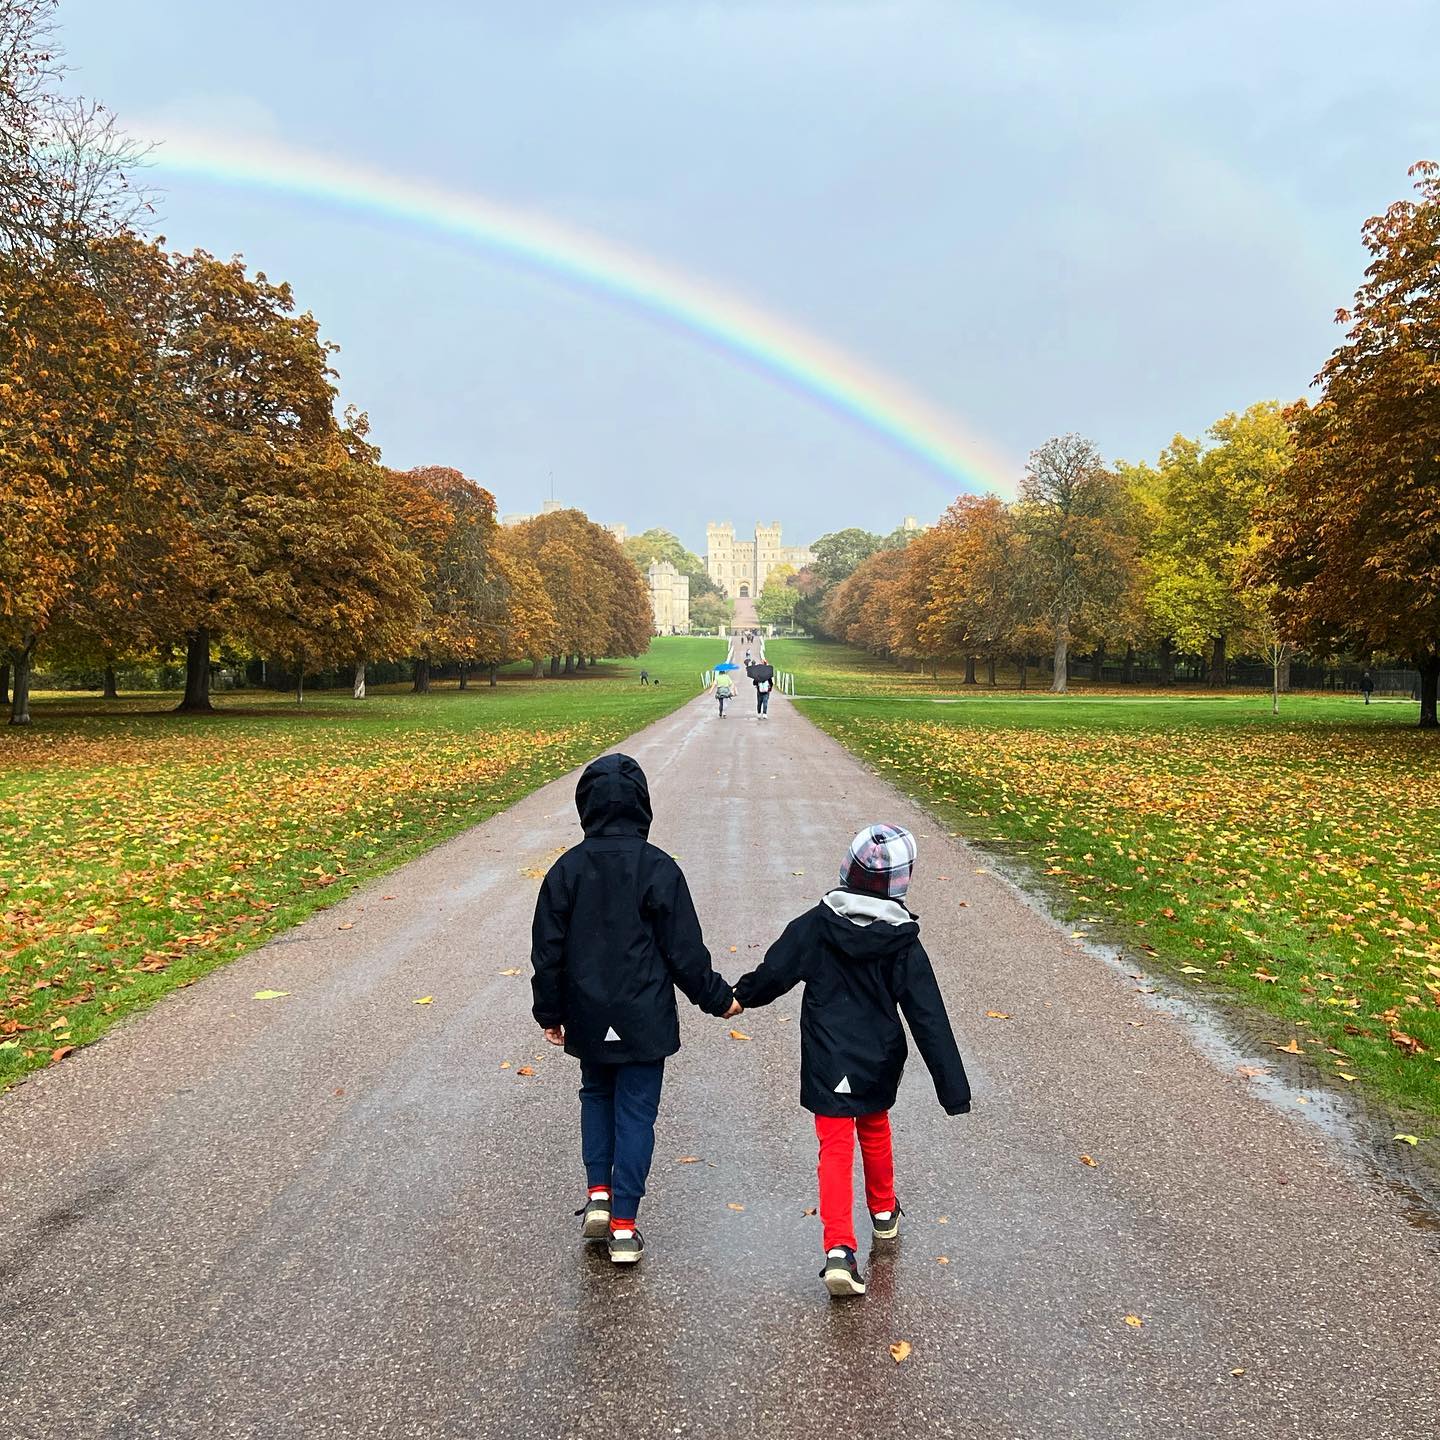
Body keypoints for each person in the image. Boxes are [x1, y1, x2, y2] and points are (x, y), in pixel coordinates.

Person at [733, 824, 970, 1299]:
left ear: (847, 868)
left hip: (827, 1057)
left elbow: (776, 970)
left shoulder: (816, 926)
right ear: (901, 882)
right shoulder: (902, 941)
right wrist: (953, 1090)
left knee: (835, 1147)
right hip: (877, 1058)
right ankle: (884, 1213)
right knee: (875, 1127)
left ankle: (839, 1248)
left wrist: (739, 997)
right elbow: (929, 1016)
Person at [531, 754, 740, 1266]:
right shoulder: (658, 868)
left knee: (596, 1094)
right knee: (636, 1112)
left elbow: (547, 949)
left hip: (586, 1009)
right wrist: (717, 998)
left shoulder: (566, 870)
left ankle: (598, 1191)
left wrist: (548, 1011)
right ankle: (624, 1224)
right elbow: (684, 951)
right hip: (643, 1014)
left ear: (586, 805)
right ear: (643, 806)